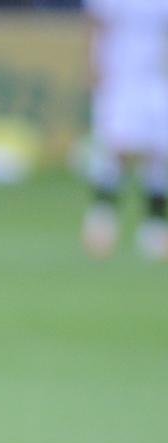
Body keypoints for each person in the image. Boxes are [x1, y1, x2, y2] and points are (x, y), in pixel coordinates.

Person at [80, 0, 168, 261]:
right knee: (117, 147)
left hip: (157, 76)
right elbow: (96, 23)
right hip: (119, 75)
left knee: (159, 149)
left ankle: (155, 227)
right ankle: (102, 221)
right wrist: (92, 64)